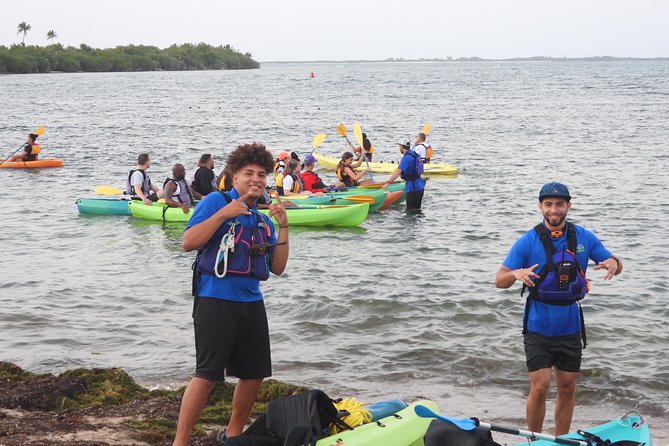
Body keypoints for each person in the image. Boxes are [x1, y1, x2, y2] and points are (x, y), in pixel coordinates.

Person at [173, 143, 289, 446]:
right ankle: (180, 442)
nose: (256, 179)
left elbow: (277, 268)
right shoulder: (215, 201)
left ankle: (234, 433)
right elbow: (188, 242)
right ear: (234, 176)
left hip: (251, 302)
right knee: (208, 374)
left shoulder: (261, 218)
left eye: (261, 174)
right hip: (215, 300)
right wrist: (225, 213)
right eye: (248, 173)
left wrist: (284, 227)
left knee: (254, 374)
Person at [495, 182, 623, 436]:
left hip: (570, 324)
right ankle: (535, 440)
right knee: (540, 386)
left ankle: (561, 440)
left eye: (560, 204)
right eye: (549, 204)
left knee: (567, 387)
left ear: (568, 206)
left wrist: (613, 262)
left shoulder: (583, 237)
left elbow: (614, 262)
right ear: (541, 207)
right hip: (537, 324)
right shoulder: (528, 240)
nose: (554, 209)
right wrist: (516, 274)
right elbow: (499, 280)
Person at [382, 139, 426, 212]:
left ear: (402, 147)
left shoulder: (406, 158)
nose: (399, 148)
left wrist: (389, 181)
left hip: (412, 188)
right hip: (420, 186)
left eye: (399, 146)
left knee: (410, 212)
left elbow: (399, 171)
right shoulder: (414, 154)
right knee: (417, 211)